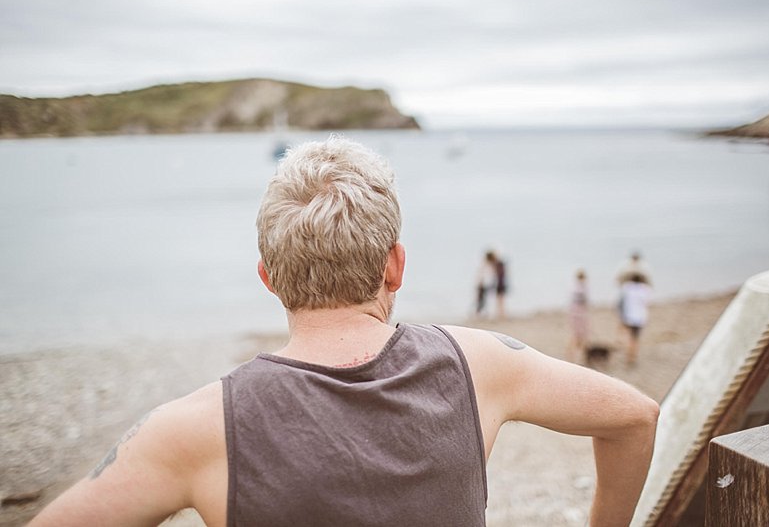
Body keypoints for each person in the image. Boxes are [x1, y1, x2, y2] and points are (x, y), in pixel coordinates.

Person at [30, 136, 659, 527]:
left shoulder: (195, 428)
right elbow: (634, 418)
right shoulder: (477, 363)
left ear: (267, 277)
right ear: (395, 265)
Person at [620, 273, 652, 366]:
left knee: (630, 337)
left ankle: (629, 356)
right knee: (636, 338)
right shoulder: (645, 289)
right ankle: (633, 356)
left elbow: (622, 301)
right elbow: (647, 302)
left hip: (629, 316)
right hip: (640, 317)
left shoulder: (628, 288)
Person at [567, 269, 590, 363]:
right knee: (579, 337)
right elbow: (584, 301)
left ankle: (574, 357)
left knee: (577, 336)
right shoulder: (582, 288)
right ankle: (575, 357)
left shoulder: (574, 287)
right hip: (580, 314)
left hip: (575, 313)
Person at [475, 250, 496, 317]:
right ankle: (478, 313)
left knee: (483, 299)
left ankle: (482, 313)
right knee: (481, 300)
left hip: (486, 284)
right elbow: (481, 275)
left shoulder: (489, 265)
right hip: (482, 284)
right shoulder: (484, 264)